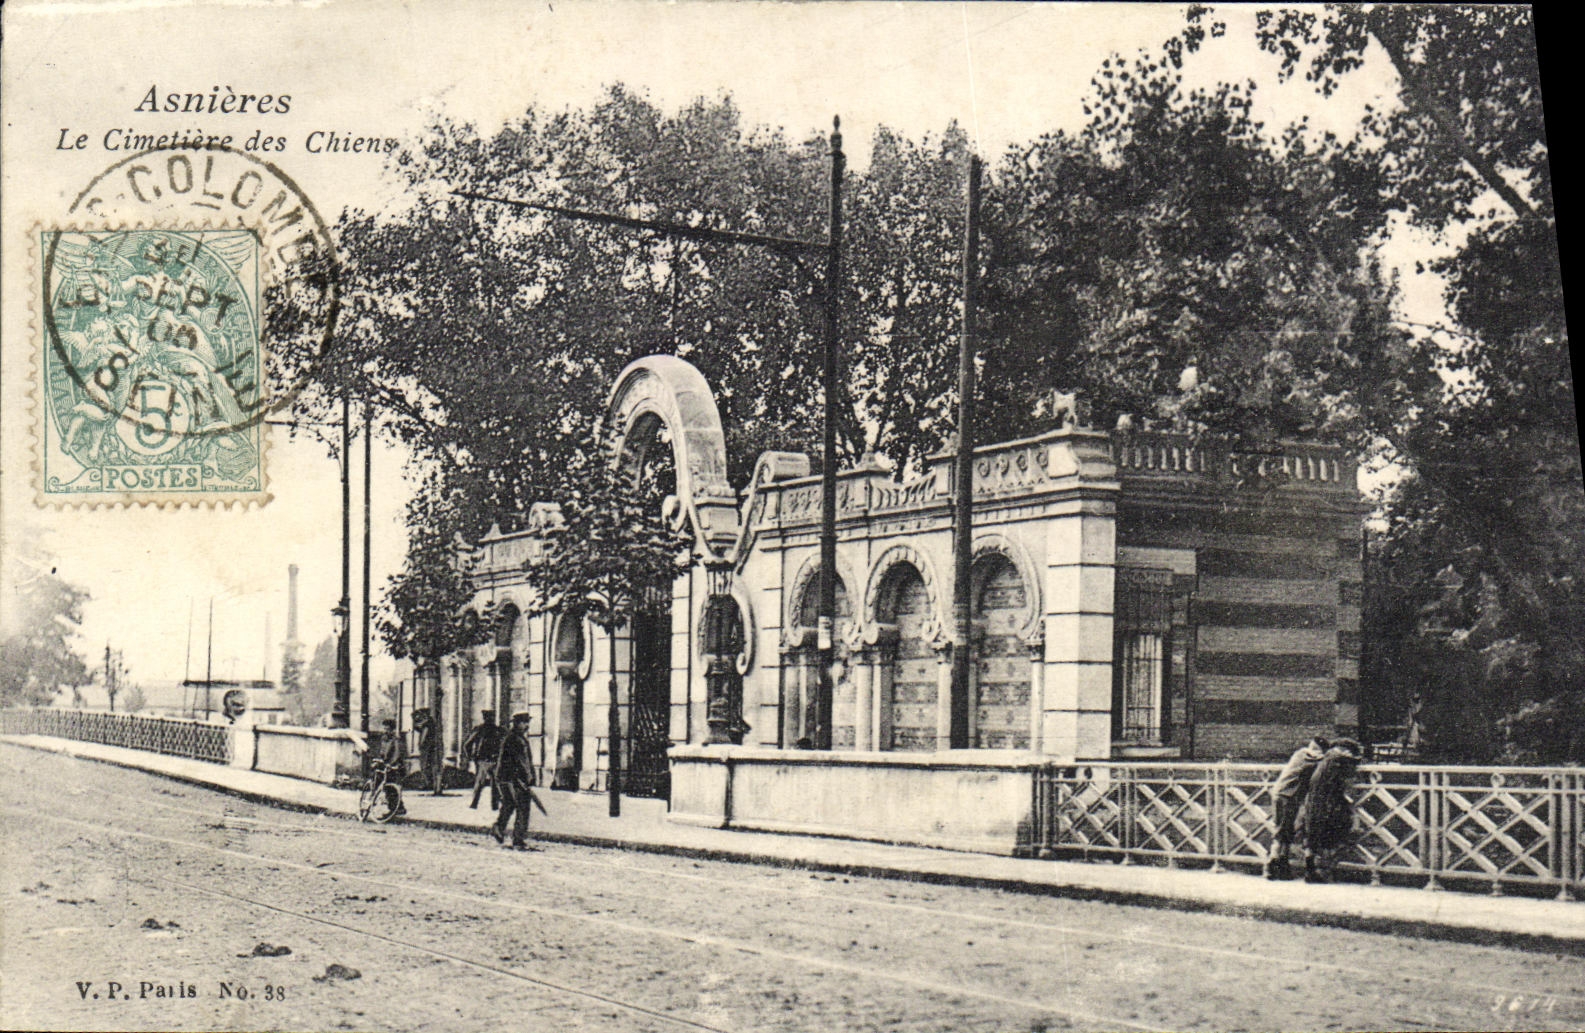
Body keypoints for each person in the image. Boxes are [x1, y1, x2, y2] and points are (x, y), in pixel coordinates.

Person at [1298, 738, 1364, 883]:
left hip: (1313, 801)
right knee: (1330, 834)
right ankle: (1324, 871)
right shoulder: (1336, 758)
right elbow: (1351, 769)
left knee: (1311, 835)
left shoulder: (1325, 759)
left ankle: (1310, 870)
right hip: (1326, 803)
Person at [1267, 735, 1330, 880]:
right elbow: (1320, 760)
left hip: (1284, 794)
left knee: (1285, 830)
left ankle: (1281, 866)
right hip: (1287, 795)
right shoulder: (1310, 757)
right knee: (1282, 830)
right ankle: (1271, 866)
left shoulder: (1300, 753)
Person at [491, 712, 538, 850]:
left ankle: (499, 828)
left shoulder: (519, 739)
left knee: (509, 804)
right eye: (524, 722)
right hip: (511, 778)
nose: (527, 725)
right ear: (516, 724)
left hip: (512, 778)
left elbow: (527, 761)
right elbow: (520, 761)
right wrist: (527, 778)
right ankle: (517, 839)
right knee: (522, 806)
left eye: (527, 722)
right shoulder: (513, 739)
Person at [464, 710, 503, 810]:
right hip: (485, 760)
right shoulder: (486, 730)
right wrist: (471, 757)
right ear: (485, 718)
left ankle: (487, 805)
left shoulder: (484, 729)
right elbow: (467, 744)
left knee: (488, 783)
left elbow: (467, 744)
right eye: (489, 717)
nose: (490, 719)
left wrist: (471, 757)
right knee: (486, 782)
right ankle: (479, 804)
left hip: (489, 760)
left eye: (491, 717)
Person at [375, 717, 408, 817]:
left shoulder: (395, 740)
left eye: (388, 729)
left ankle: (397, 809)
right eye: (384, 728)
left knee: (392, 789)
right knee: (386, 787)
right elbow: (382, 752)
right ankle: (395, 808)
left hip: (395, 767)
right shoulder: (384, 739)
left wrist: (392, 763)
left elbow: (397, 754)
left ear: (392, 729)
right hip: (386, 766)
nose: (385, 731)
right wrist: (379, 760)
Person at [417, 707, 445, 796]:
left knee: (433, 768)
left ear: (424, 715)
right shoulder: (432, 723)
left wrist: (421, 745)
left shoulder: (427, 723)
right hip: (435, 748)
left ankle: (436, 788)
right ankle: (437, 788)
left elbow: (423, 736)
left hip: (430, 749)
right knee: (436, 769)